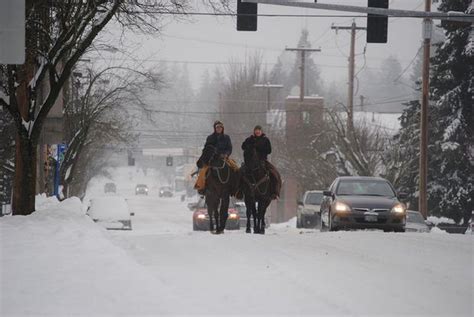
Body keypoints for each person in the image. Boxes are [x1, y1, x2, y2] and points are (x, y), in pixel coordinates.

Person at [194, 120, 239, 195]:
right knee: (203, 171)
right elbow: (206, 149)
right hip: (212, 159)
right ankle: (201, 187)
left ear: (222, 128)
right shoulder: (210, 138)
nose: (219, 129)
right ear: (215, 128)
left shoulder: (226, 137)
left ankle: (237, 189)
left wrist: (226, 154)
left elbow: (229, 148)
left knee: (236, 168)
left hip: (224, 158)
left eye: (220, 127)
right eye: (217, 127)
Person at [241, 125, 281, 199]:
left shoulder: (265, 140)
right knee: (240, 172)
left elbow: (269, 150)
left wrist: (259, 148)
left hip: (262, 161)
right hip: (250, 162)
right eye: (256, 130)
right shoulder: (249, 139)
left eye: (259, 130)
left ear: (261, 131)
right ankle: (239, 191)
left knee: (274, 173)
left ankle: (275, 192)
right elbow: (243, 147)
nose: (257, 131)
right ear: (254, 131)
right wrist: (250, 145)